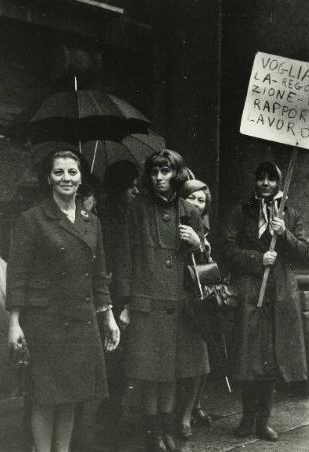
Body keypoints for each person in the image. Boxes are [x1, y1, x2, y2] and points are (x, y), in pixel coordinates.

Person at [6, 148, 120, 452]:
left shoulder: (90, 221)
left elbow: (99, 275)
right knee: (46, 397)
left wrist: (107, 316)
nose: (66, 178)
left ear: (81, 178)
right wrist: (15, 323)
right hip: (44, 322)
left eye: (72, 172)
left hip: (81, 320)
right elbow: (17, 276)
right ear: (49, 178)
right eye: (59, 172)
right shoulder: (32, 219)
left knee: (71, 395)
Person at [117, 149, 210, 452]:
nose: (159, 178)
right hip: (145, 301)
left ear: (176, 174)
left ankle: (167, 427)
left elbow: (204, 264)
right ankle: (152, 432)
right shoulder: (137, 209)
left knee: (169, 371)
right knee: (148, 372)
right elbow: (126, 258)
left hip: (177, 302)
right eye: (155, 172)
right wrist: (127, 303)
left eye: (166, 172)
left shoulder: (190, 210)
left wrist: (198, 243)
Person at [220, 161, 308, 441]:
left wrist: (284, 235)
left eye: (271, 178)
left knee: (271, 357)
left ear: (279, 183)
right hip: (249, 292)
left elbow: (304, 251)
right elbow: (227, 249)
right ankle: (247, 417)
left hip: (279, 293)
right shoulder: (242, 211)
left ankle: (263, 420)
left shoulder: (290, 214)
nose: (265, 183)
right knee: (249, 357)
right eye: (261, 178)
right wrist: (258, 259)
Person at [96, 160, 140, 444]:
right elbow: (120, 259)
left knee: (116, 361)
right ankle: (109, 420)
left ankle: (108, 414)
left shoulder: (124, 213)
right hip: (110, 293)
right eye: (131, 185)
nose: (136, 190)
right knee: (114, 360)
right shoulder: (109, 216)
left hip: (117, 292)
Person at [176, 179, 215, 439]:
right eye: (192, 198)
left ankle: (186, 415)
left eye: (202, 201)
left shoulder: (203, 232)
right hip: (171, 298)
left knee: (198, 361)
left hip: (194, 302)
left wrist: (199, 244)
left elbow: (208, 268)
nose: (197, 205)